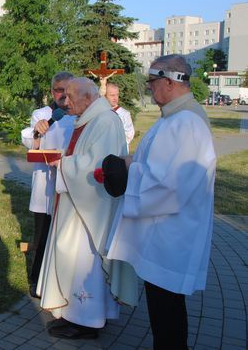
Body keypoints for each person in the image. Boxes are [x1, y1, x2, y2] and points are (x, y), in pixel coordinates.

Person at [106, 55, 216, 349]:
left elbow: (172, 186)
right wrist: (132, 161)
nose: (150, 90)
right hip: (163, 232)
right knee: (162, 315)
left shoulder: (187, 123)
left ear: (170, 82)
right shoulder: (174, 118)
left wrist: (129, 169)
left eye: (152, 83)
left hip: (171, 235)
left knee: (168, 318)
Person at [37, 77, 138, 339]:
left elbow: (97, 165)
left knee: (85, 260)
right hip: (77, 202)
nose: (65, 102)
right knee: (76, 258)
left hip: (91, 209)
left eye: (70, 97)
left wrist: (64, 165)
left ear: (87, 97)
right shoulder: (91, 118)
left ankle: (87, 321)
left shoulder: (104, 121)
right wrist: (67, 161)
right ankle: (74, 316)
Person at [20, 71, 74, 297]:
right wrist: (37, 131)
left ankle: (63, 283)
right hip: (46, 183)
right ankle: (37, 281)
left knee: (67, 236)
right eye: (58, 90)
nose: (62, 95)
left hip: (70, 182)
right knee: (42, 235)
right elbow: (30, 141)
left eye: (67, 90)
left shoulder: (80, 114)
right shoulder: (42, 114)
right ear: (52, 92)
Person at [105, 82, 135, 149]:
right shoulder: (100, 112)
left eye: (117, 95)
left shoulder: (124, 114)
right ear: (105, 96)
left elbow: (129, 134)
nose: (115, 98)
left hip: (119, 150)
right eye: (112, 95)